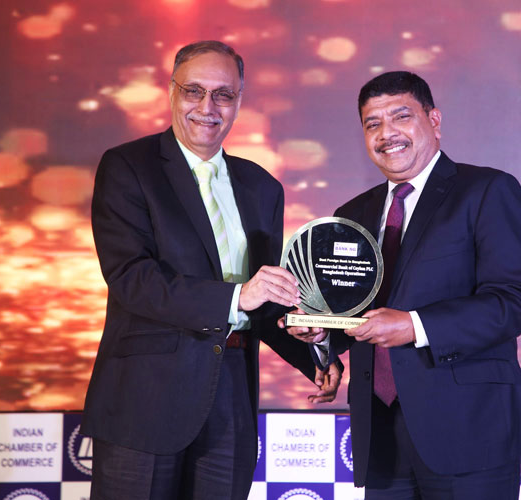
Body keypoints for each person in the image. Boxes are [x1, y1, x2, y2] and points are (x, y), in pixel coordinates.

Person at [81, 40, 339, 500]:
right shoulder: (128, 167)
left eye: (223, 94)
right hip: (145, 397)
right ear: (171, 91)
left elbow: (265, 301)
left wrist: (315, 350)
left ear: (239, 100)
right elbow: (132, 278)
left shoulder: (262, 186)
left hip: (232, 393)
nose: (207, 107)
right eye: (193, 91)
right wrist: (239, 297)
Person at [285, 71, 521, 499]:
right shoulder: (350, 214)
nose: (386, 133)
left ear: (434, 120)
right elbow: (351, 313)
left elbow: (514, 301)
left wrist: (414, 325)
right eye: (372, 123)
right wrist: (321, 334)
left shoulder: (486, 190)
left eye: (401, 116)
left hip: (470, 429)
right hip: (379, 434)